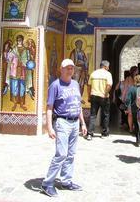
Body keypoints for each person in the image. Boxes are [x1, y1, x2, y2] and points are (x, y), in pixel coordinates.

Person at [41, 58, 87, 198]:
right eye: (67, 68)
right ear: (61, 69)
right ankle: (47, 183)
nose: (70, 70)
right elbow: (49, 107)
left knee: (71, 154)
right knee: (61, 153)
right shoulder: (55, 85)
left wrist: (83, 123)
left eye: (72, 68)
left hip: (74, 123)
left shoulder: (75, 84)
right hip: (62, 122)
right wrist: (49, 127)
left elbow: (78, 105)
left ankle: (66, 181)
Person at [86, 60, 113, 140]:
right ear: (105, 66)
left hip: (94, 95)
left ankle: (90, 134)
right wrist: (105, 94)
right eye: (108, 67)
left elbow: (89, 86)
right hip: (103, 97)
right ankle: (104, 133)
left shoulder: (93, 73)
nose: (108, 68)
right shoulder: (108, 74)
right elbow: (109, 85)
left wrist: (89, 96)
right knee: (105, 115)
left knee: (93, 115)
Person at [126, 74, 140, 146]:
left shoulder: (132, 88)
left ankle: (138, 140)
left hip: (134, 108)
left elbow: (128, 99)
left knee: (136, 124)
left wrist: (127, 108)